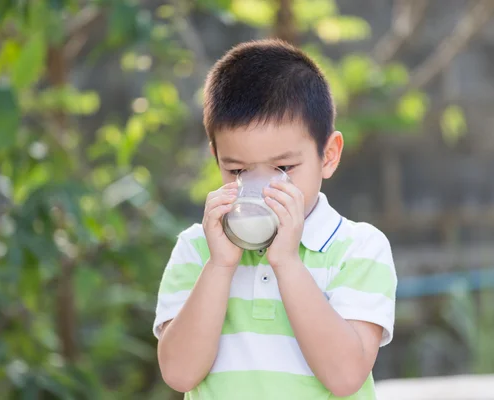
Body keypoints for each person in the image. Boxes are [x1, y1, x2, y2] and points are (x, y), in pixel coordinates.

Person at [153, 39, 397, 399]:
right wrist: (219, 266)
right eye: (237, 169)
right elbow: (179, 374)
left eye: (283, 168)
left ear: (328, 156)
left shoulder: (358, 249)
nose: (262, 186)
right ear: (216, 158)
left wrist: (286, 262)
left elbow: (346, 377)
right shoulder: (197, 248)